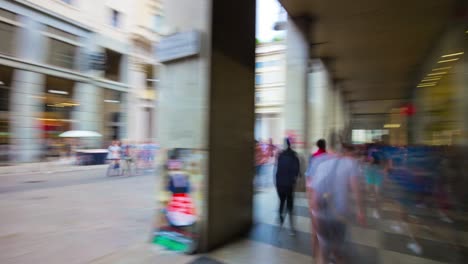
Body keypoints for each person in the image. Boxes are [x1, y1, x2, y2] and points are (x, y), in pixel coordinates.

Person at [309, 144, 365, 264]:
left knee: (323, 252)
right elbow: (356, 189)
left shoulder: (322, 165)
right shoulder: (350, 163)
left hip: (321, 215)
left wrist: (314, 216)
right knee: (339, 251)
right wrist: (360, 210)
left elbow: (314, 195)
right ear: (345, 152)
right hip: (339, 215)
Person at [305, 139, 332, 258]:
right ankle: (327, 254)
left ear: (317, 146)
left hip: (316, 196)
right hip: (329, 196)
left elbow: (309, 179)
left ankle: (315, 255)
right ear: (326, 145)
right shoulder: (331, 158)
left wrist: (309, 199)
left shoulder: (314, 158)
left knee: (315, 229)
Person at [275, 138, 300, 234]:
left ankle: (280, 217)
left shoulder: (280, 155)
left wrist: (277, 184)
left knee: (281, 201)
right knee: (289, 204)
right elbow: (296, 171)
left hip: (280, 184)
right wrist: (294, 180)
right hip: (289, 184)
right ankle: (291, 228)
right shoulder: (294, 155)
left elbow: (277, 171)